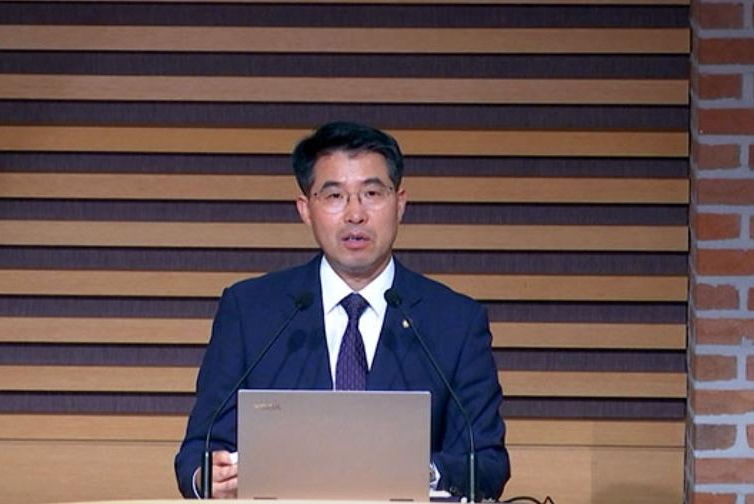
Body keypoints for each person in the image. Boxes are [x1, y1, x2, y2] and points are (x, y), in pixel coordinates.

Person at [173, 121, 511, 499]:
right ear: (306, 209)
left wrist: (422, 472)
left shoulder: (455, 321)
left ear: (400, 204)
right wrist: (207, 477)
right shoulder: (251, 311)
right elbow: (197, 452)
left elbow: (487, 463)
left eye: (372, 193)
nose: (355, 215)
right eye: (334, 196)